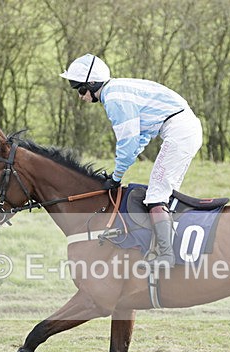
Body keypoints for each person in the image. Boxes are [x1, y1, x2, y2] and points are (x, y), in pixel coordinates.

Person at [60, 53, 203, 267]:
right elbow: (141, 135)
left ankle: (166, 256)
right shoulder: (116, 89)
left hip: (180, 131)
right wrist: (120, 170)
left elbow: (127, 143)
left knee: (156, 194)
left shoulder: (114, 99)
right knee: (161, 192)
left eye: (80, 89)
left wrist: (116, 177)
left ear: (92, 83)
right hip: (182, 127)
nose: (80, 96)